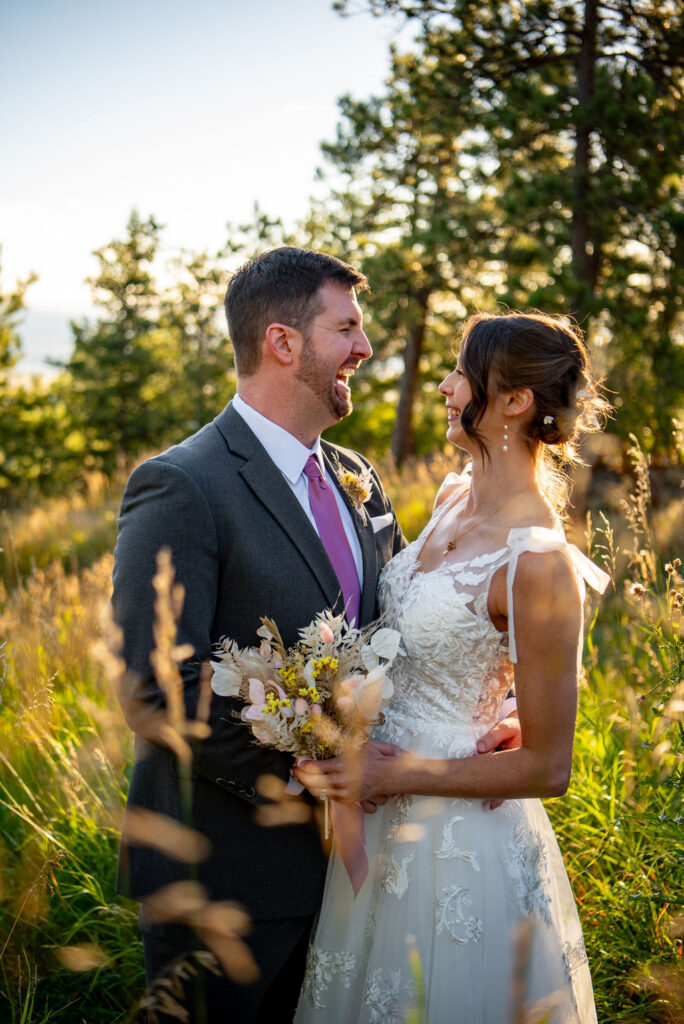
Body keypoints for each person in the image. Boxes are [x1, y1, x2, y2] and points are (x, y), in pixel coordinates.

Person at [111, 248, 517, 1024]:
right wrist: (315, 766)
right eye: (347, 329)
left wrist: (490, 721)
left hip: (367, 883)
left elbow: (404, 638)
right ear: (283, 342)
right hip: (227, 877)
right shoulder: (182, 484)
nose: (364, 350)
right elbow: (155, 689)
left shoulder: (356, 476)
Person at [293, 311, 610, 1024]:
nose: (443, 385)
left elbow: (548, 767)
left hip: (457, 841)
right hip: (375, 820)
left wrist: (392, 773)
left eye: (460, 373)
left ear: (515, 399)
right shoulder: (448, 499)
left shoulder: (539, 562)